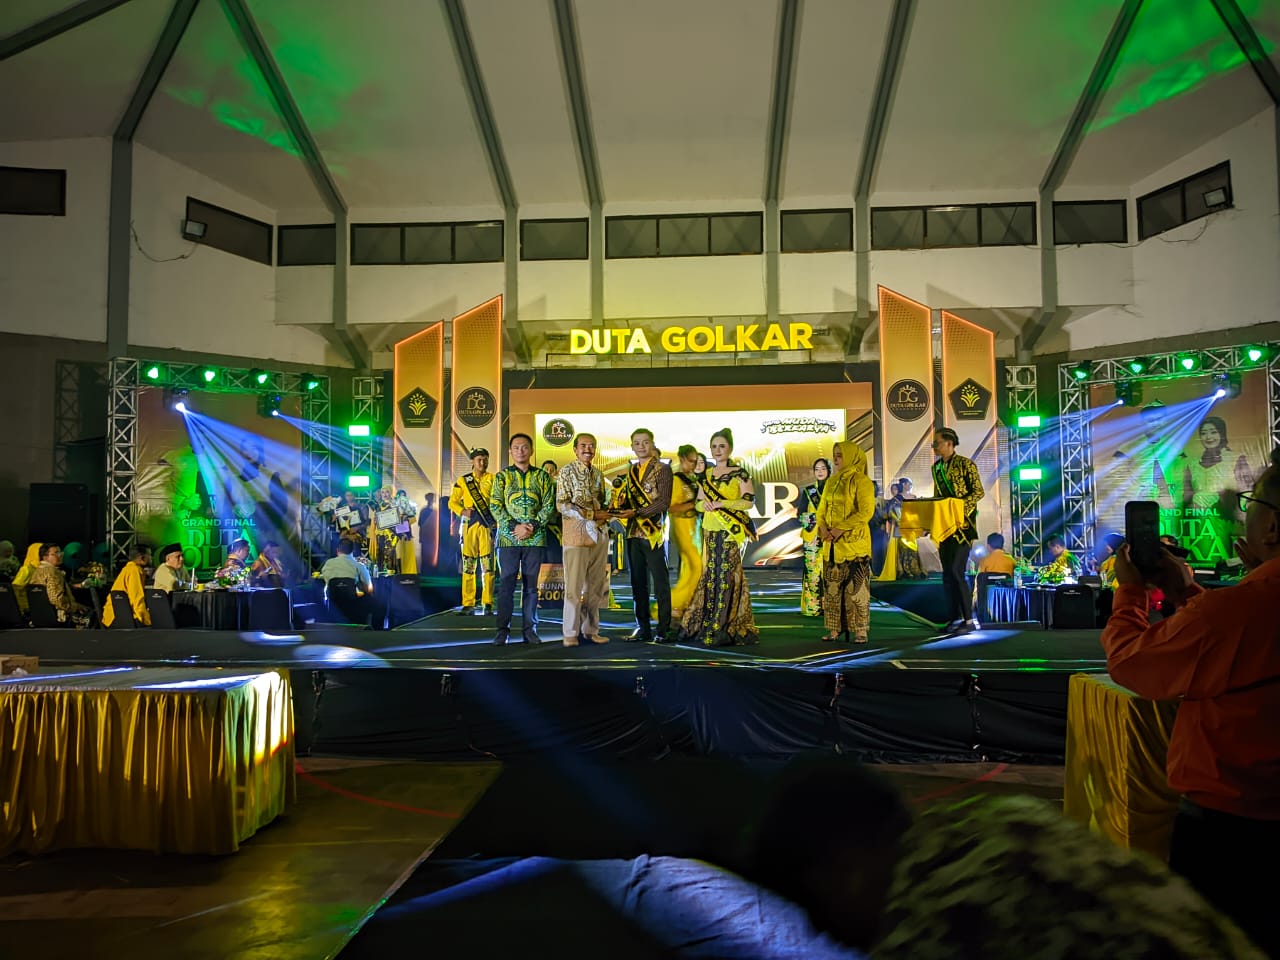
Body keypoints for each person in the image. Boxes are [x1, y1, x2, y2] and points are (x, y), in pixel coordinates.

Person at [748, 755, 1265, 959]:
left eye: (818, 911)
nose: (831, 936)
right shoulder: (1001, 817)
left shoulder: (930, 926)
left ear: (844, 868)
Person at [1100, 448, 1280, 957]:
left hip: (1237, 830)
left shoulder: (1238, 609)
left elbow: (1133, 663)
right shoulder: (1238, 605)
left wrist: (1131, 594)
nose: (1244, 512)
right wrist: (1189, 594)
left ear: (1271, 527)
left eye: (1252, 502)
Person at [679, 428, 759, 646]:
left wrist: (722, 503)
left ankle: (723, 626)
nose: (717, 450)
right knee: (712, 576)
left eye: (722, 446)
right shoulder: (706, 475)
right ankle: (709, 623)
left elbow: (748, 502)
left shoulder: (740, 473)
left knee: (727, 577)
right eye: (714, 446)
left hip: (730, 532)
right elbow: (698, 503)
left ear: (730, 448)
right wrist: (703, 506)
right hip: (710, 530)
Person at [490, 433, 557, 645]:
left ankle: (530, 630)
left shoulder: (542, 477)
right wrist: (514, 526)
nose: (521, 451)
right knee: (506, 585)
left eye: (525, 447)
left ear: (531, 450)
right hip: (508, 538)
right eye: (516, 447)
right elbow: (495, 505)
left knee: (531, 587)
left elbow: (549, 505)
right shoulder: (502, 477)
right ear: (510, 451)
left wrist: (532, 526)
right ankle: (503, 631)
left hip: (535, 538)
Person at [815, 442, 876, 644]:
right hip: (831, 545)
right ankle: (834, 629)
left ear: (851, 457)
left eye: (840, 455)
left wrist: (839, 529)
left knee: (856, 590)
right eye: (834, 455)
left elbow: (866, 512)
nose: (836, 459)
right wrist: (823, 528)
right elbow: (821, 510)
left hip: (854, 545)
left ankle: (860, 630)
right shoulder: (831, 481)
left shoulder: (861, 481)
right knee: (832, 590)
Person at [618, 428, 674, 643]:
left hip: (653, 533)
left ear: (652, 444)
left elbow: (663, 502)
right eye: (637, 443)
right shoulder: (631, 471)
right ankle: (643, 628)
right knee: (638, 583)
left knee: (660, 583)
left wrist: (637, 512)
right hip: (633, 533)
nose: (641, 446)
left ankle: (663, 629)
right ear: (632, 446)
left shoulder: (663, 469)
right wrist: (621, 505)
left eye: (645, 442)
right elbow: (630, 501)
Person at [555, 433, 610, 646]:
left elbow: (602, 502)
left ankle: (590, 630)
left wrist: (609, 512)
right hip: (576, 534)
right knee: (574, 587)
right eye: (583, 445)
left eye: (591, 445)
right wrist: (589, 514)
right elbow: (562, 504)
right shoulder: (566, 471)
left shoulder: (598, 473)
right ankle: (570, 632)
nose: (588, 449)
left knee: (595, 586)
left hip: (599, 533)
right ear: (575, 450)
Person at [931, 427, 984, 634]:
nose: (934, 447)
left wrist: (959, 509)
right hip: (945, 527)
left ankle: (969, 619)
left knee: (957, 571)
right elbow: (938, 497)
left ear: (949, 443)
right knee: (947, 574)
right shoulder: (936, 468)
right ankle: (953, 618)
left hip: (963, 526)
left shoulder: (966, 464)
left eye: (937, 443)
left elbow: (978, 492)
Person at [449, 449, 496, 615]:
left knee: (488, 566)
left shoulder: (493, 479)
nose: (482, 463)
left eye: (485, 459)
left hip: (487, 526)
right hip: (469, 527)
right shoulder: (463, 480)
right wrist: (462, 511)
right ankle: (468, 603)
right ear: (473, 461)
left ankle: (487, 603)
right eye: (479, 460)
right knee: (469, 566)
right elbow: (452, 502)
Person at [669, 444, 703, 620]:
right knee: (697, 567)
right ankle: (673, 603)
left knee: (689, 569)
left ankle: (685, 605)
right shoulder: (676, 480)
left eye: (696, 461)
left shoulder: (693, 479)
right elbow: (671, 507)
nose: (694, 464)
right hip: (682, 525)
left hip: (694, 526)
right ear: (681, 459)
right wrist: (694, 505)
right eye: (691, 461)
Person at [796, 458, 831, 617]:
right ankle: (814, 607)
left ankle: (831, 606)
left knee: (831, 571)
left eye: (823, 468)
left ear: (829, 470)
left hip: (832, 535)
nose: (820, 472)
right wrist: (816, 521)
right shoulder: (808, 491)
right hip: (812, 536)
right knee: (812, 571)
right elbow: (800, 514)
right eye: (817, 469)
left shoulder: (835, 490)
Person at [29, 543, 90, 624]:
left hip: (39, 616)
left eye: (60, 552)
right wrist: (77, 607)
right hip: (58, 617)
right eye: (56, 553)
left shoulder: (37, 571)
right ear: (45, 557)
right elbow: (57, 600)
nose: (60, 555)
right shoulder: (53, 572)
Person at [102, 544, 152, 627]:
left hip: (113, 617)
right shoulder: (134, 571)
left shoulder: (128, 569)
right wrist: (147, 621)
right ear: (142, 558)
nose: (151, 558)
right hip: (121, 618)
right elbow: (137, 600)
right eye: (149, 555)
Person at [11, 542, 41, 613]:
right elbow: (16, 589)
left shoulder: (42, 569)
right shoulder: (26, 569)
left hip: (37, 605)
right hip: (26, 608)